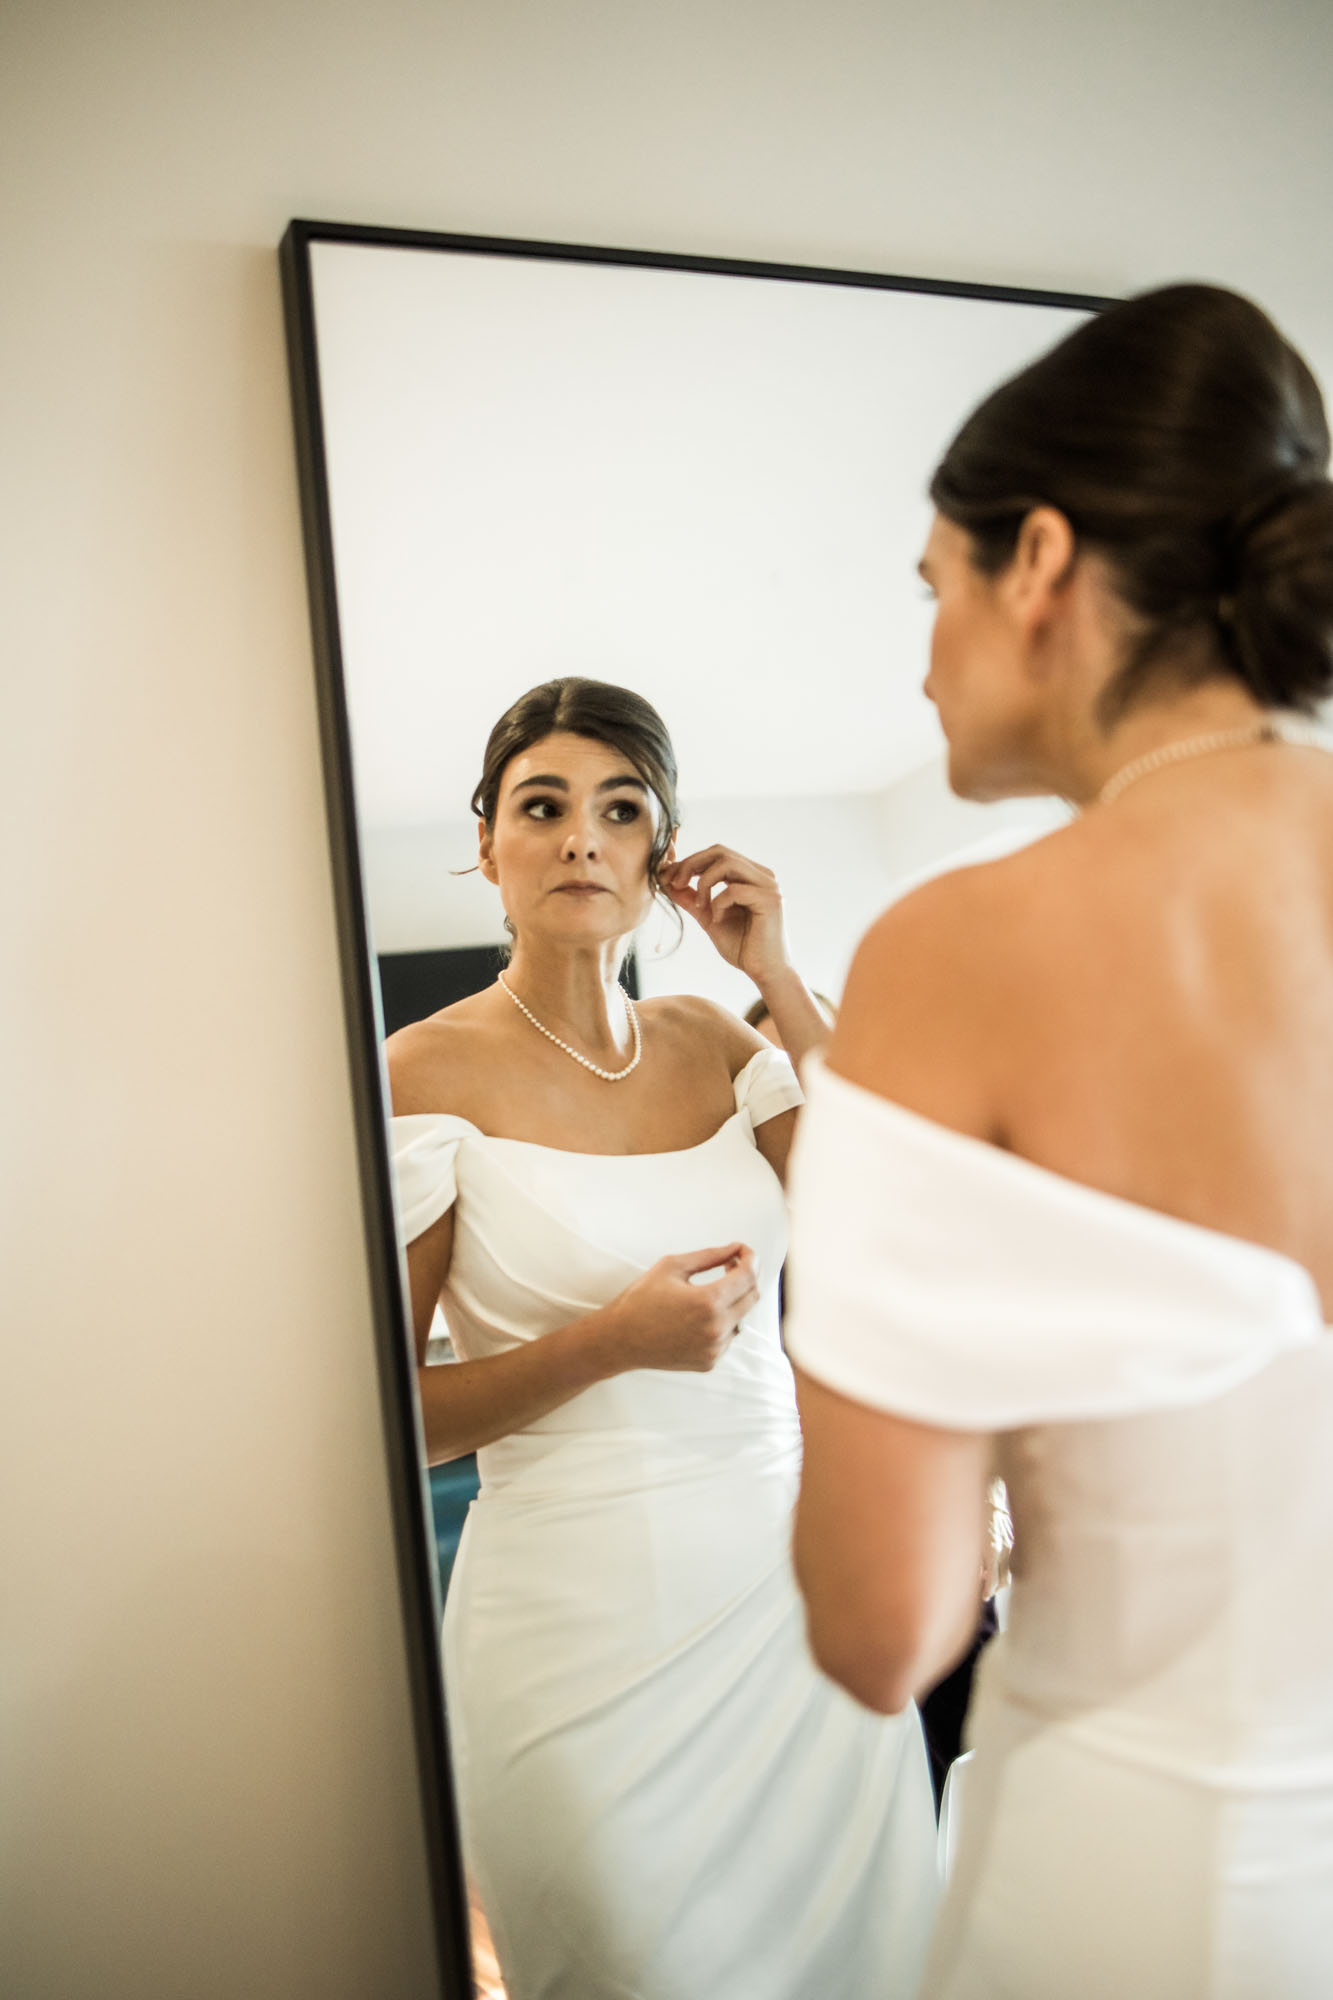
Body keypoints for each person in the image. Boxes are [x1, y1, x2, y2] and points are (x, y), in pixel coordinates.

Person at [784, 281, 1333, 1997]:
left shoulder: (953, 955)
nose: (922, 652)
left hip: (1130, 1891)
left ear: (1036, 561)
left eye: (931, 587)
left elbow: (886, 1634)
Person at [386, 677, 938, 2000]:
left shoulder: (717, 1042)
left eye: (619, 809)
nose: (581, 837)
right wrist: (606, 1345)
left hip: (796, 1613)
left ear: (662, 857)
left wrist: (779, 981)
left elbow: (897, 1235)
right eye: (543, 806)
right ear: (488, 848)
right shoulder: (418, 1073)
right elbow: (384, 1425)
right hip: (572, 1636)